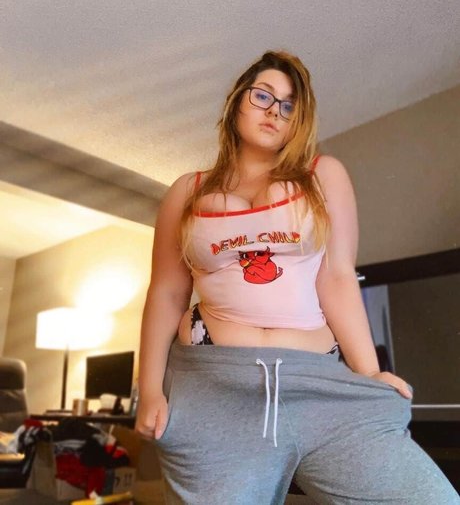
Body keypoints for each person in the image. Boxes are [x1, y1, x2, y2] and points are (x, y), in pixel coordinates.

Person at [136, 51, 458, 504]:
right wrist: (149, 390)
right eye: (263, 96)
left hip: (318, 382)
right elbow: (167, 292)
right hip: (214, 383)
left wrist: (369, 373)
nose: (274, 111)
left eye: (289, 106)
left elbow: (338, 278)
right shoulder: (187, 190)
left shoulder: (323, 175)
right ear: (236, 101)